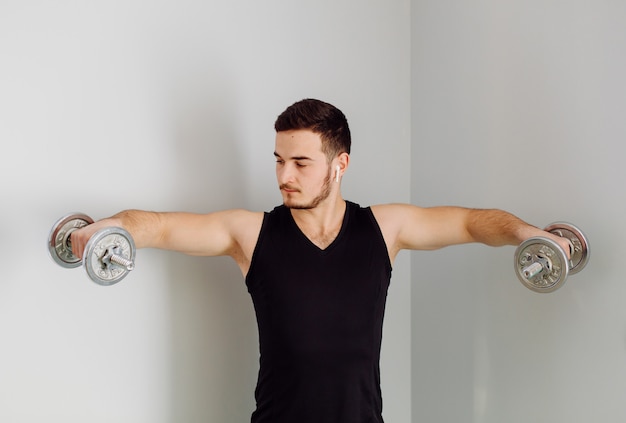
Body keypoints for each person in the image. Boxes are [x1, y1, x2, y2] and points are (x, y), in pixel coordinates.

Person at [70, 98, 571, 423]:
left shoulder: (384, 228)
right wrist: (102, 230)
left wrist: (529, 235)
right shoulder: (252, 233)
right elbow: (156, 225)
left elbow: (469, 222)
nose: (284, 175)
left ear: (340, 164)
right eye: (278, 160)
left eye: (301, 163)